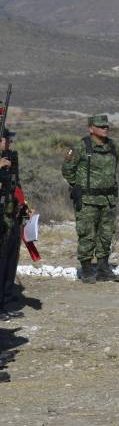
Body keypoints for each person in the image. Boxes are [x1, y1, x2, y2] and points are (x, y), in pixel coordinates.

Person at [61, 114, 119, 284]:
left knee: (106, 234)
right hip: (87, 200)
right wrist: (78, 186)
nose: (105, 129)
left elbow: (115, 167)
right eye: (101, 126)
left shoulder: (113, 146)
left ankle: (103, 269)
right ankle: (87, 270)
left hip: (108, 199)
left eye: (106, 126)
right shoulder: (81, 147)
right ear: (91, 128)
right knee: (87, 234)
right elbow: (67, 169)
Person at [0, 129, 30, 320]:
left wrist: (23, 205)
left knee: (10, 259)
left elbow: (15, 186)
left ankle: (5, 302)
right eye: (6, 139)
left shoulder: (10, 159)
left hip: (10, 216)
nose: (9, 143)